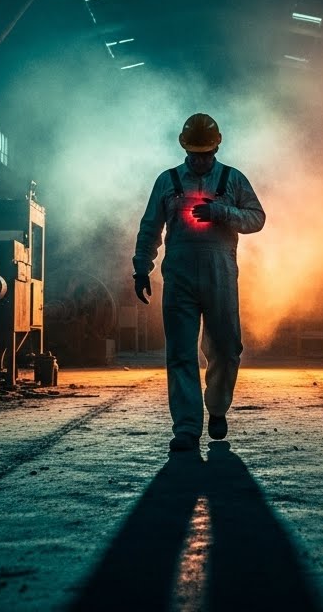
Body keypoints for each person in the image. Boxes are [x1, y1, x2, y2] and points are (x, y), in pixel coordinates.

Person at [132, 112, 266, 452]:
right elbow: (151, 228)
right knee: (180, 353)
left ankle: (217, 408)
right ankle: (187, 429)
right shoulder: (168, 181)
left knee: (226, 347)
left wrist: (222, 212)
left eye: (205, 152)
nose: (200, 159)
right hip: (178, 276)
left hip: (220, 274)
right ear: (184, 147)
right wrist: (141, 267)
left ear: (217, 146)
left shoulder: (233, 180)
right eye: (195, 152)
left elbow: (257, 218)